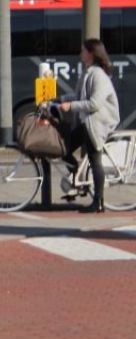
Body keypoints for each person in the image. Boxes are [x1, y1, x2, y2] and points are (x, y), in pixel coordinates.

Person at [60, 38, 120, 212]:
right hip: (88, 122)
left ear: (91, 54)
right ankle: (77, 175)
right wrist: (58, 100)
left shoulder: (99, 75)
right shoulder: (88, 72)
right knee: (64, 148)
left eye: (83, 51)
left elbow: (94, 104)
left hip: (98, 123)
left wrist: (71, 106)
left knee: (95, 160)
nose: (80, 54)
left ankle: (98, 203)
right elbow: (78, 95)